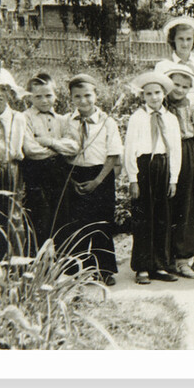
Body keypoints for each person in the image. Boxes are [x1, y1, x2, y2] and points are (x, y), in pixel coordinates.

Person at [124, 72, 183, 285]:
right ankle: (142, 267)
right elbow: (129, 149)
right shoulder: (137, 118)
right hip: (144, 168)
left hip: (164, 167)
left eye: (157, 92)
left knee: (162, 218)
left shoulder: (171, 119)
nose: (154, 97)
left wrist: (173, 178)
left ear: (164, 93)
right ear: (143, 96)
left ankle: (159, 264)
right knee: (143, 218)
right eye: (149, 93)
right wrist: (133, 178)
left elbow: (176, 150)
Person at [64, 74, 122, 285]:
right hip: (75, 175)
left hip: (101, 176)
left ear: (96, 95)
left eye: (88, 95)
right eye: (77, 96)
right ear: (71, 98)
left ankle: (105, 270)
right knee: (77, 224)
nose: (83, 100)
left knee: (102, 223)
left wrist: (97, 181)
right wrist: (71, 181)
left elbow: (113, 154)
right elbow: (62, 152)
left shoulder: (107, 122)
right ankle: (78, 270)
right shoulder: (66, 121)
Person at [21, 73, 80, 249]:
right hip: (35, 174)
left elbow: (74, 147)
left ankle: (62, 267)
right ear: (29, 97)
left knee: (62, 218)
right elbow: (31, 150)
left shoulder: (63, 120)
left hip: (59, 173)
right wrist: (58, 149)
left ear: (55, 95)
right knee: (40, 219)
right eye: (38, 96)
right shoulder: (25, 118)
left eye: (48, 95)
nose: (44, 100)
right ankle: (40, 267)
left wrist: (48, 141)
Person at [157, 64, 194, 279]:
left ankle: (183, 259)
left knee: (185, 205)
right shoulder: (161, 104)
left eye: (185, 86)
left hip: (187, 152)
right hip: (165, 152)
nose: (180, 89)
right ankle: (163, 258)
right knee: (165, 203)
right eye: (176, 84)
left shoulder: (193, 107)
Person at [0, 68, 27, 259]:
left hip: (11, 170)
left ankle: (15, 265)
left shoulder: (19, 118)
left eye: (3, 89)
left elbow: (28, 146)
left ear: (11, 93)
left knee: (13, 217)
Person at [155, 16, 194, 105]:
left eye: (189, 39)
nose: (185, 44)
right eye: (181, 39)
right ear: (173, 39)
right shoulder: (162, 66)